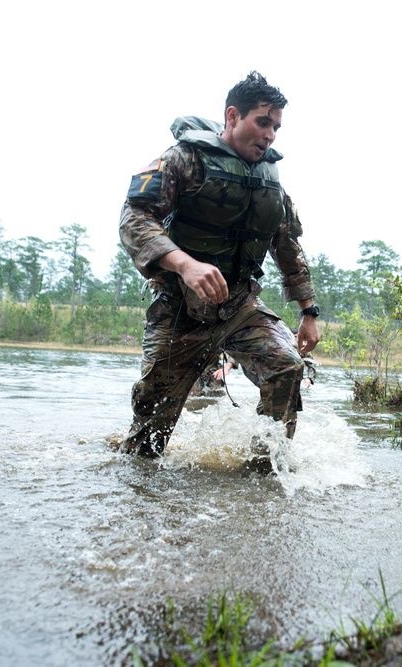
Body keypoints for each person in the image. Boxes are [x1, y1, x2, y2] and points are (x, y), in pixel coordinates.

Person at [118, 71, 321, 457]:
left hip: (240, 306)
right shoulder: (184, 160)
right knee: (149, 438)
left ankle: (264, 475)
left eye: (276, 127)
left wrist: (308, 311)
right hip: (181, 310)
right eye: (263, 122)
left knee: (287, 367)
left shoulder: (270, 181)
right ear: (232, 117)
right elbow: (134, 217)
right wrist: (184, 264)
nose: (270, 135)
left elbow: (287, 245)